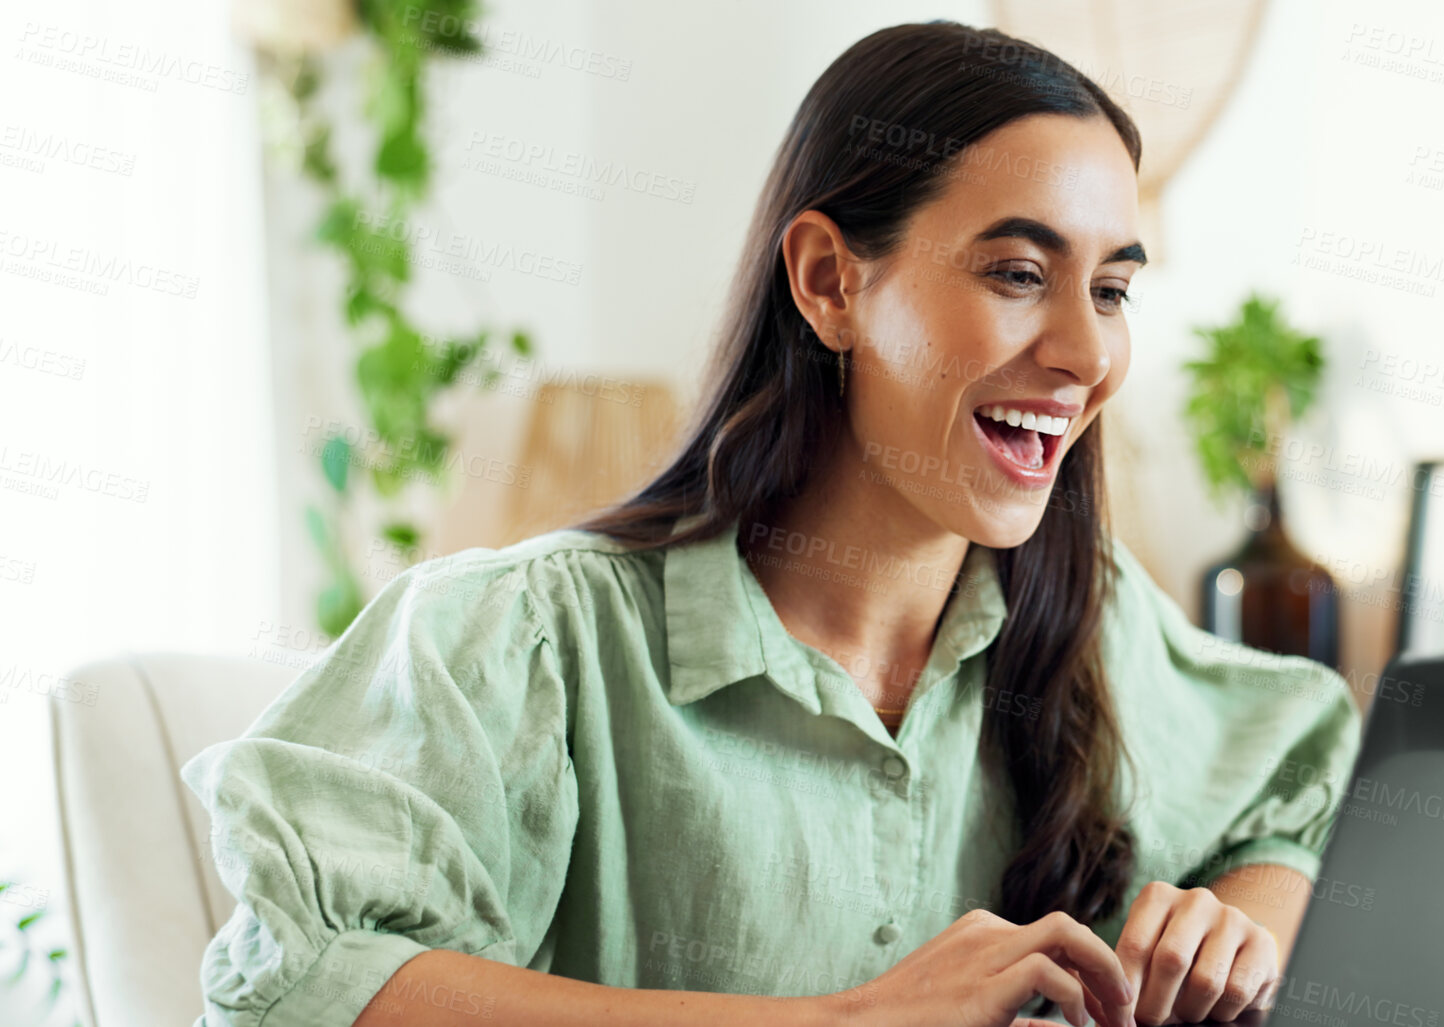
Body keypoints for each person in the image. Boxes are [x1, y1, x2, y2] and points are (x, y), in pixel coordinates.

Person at [181, 20, 1362, 1027]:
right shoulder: (536, 638)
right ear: (829, 283)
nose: (1087, 351)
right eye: (1015, 273)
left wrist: (1235, 931)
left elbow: (1302, 785)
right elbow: (305, 981)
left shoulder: (1084, 622)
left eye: (1111, 289)